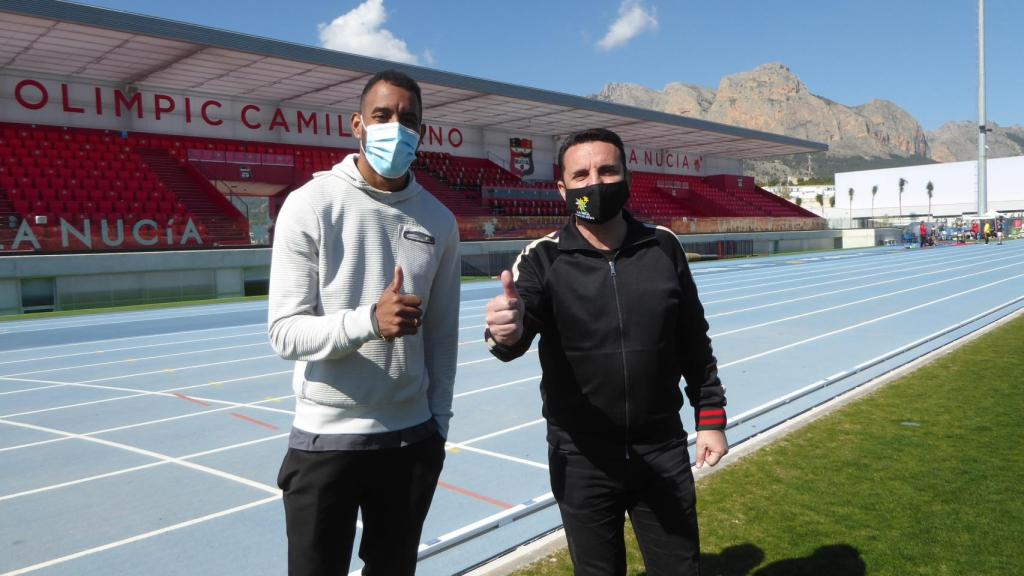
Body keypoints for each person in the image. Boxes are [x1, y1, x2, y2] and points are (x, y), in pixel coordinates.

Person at [483, 128, 728, 576]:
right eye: (581, 175)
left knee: (680, 569)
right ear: (563, 189)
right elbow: (516, 333)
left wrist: (710, 419)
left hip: (661, 447)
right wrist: (506, 330)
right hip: (582, 458)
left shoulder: (663, 245)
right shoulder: (542, 258)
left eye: (607, 170)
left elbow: (693, 339)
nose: (595, 183)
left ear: (627, 178)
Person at [268, 69, 460, 576]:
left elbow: (442, 335)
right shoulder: (309, 205)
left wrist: (438, 428)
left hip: (411, 439)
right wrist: (368, 322)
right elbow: (284, 332)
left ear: (421, 133)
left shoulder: (438, 219)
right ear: (357, 124)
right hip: (324, 441)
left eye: (408, 120)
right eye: (383, 116)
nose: (396, 128)